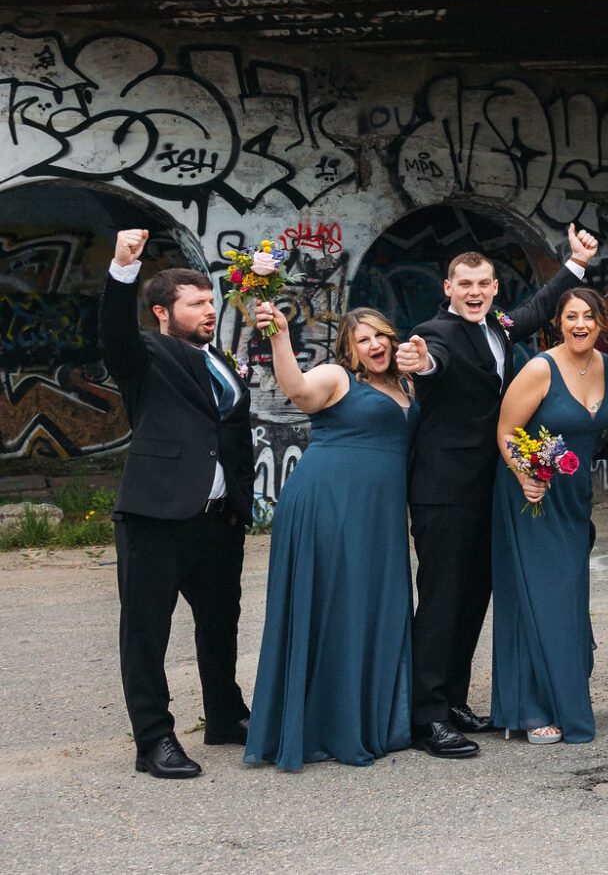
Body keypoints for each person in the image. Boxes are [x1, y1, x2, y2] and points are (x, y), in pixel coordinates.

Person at [406, 224, 600, 760]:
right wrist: (419, 363)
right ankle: (425, 717)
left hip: (488, 489)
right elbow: (431, 359)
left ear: (494, 289)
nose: (474, 291)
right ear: (447, 287)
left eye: (484, 284)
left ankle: (453, 700)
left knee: (472, 598)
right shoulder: (435, 333)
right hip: (444, 490)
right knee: (443, 600)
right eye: (464, 283)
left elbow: (538, 309)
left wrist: (575, 264)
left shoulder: (497, 326)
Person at [244, 302, 429, 770]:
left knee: (373, 604)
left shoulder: (405, 382)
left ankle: (371, 718)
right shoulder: (337, 378)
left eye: (381, 336)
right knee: (332, 605)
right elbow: (297, 390)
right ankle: (325, 725)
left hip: (380, 514)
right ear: (349, 348)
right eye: (363, 339)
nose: (375, 345)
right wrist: (281, 336)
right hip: (330, 504)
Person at [100, 228, 255, 780]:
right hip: (156, 516)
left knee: (220, 624)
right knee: (146, 631)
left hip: (218, 519)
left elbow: (230, 434)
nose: (209, 310)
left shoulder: (225, 364)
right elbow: (114, 332)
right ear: (164, 313)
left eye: (211, 301)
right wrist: (123, 268)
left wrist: (241, 504)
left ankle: (225, 715)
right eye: (196, 304)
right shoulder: (144, 354)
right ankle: (154, 739)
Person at [489, 288, 608, 744]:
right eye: (571, 317)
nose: (580, 324)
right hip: (534, 493)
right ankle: (528, 707)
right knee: (538, 596)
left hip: (575, 498)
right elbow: (506, 431)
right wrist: (525, 474)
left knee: (567, 599)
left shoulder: (607, 365)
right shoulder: (540, 369)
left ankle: (558, 694)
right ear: (558, 323)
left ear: (601, 322)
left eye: (588, 316)